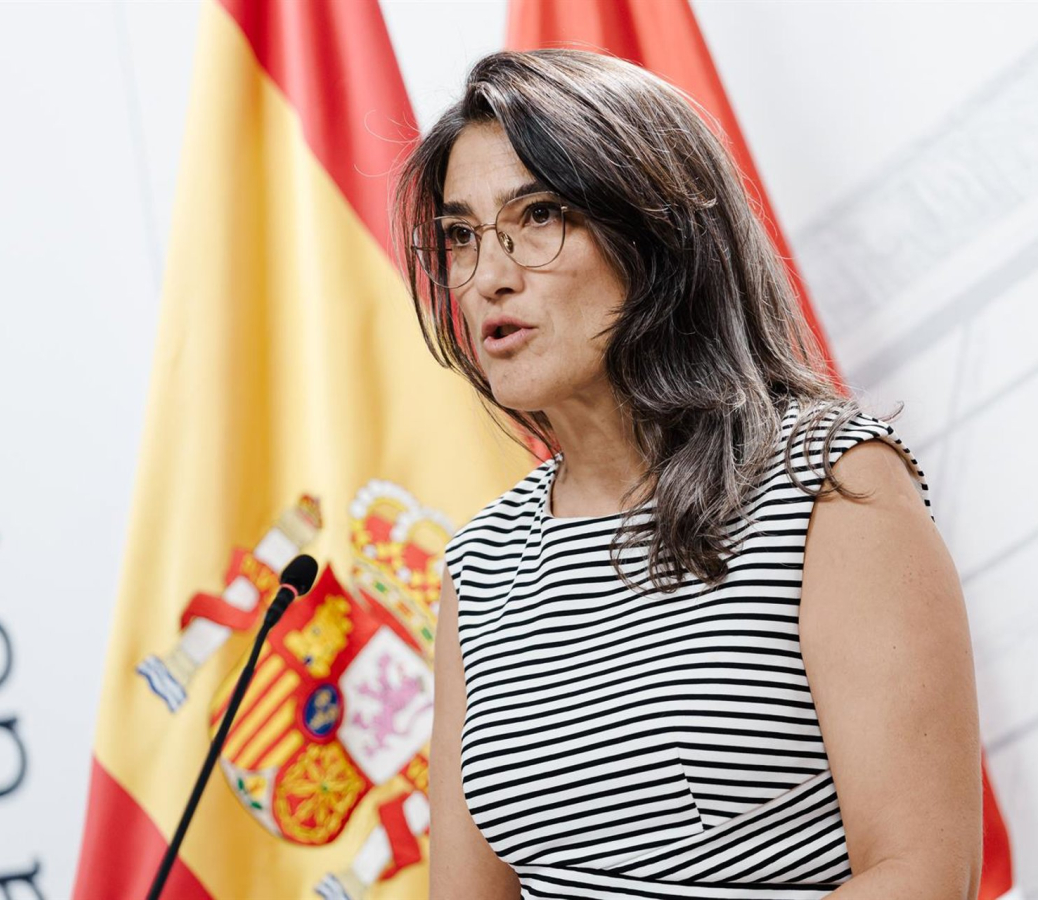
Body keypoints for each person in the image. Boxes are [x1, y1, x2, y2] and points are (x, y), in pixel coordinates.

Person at [390, 49, 982, 899]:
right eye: (460, 236)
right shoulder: (481, 565)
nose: (487, 277)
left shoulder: (830, 482)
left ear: (656, 236)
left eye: (540, 215)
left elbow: (920, 875)